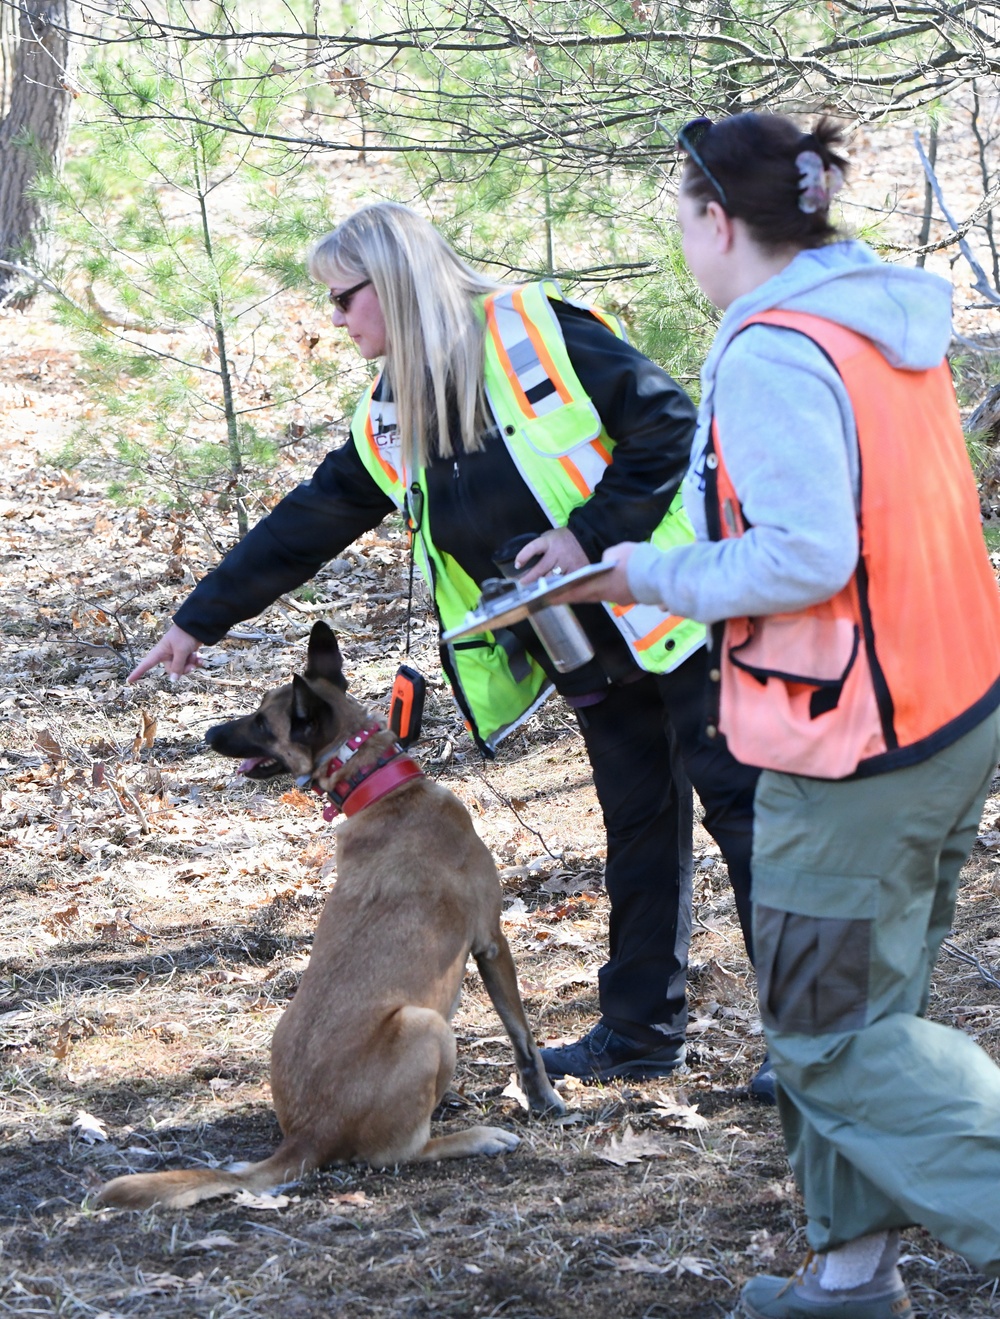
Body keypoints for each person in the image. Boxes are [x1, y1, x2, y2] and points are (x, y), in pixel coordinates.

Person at [128, 201, 768, 1091]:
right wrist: (200, 618)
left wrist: (588, 534)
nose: (335, 318)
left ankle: (813, 1043)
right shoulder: (391, 410)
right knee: (639, 824)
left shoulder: (541, 333)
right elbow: (309, 519)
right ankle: (640, 1032)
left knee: (747, 817)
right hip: (578, 643)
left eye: (343, 297)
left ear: (392, 284)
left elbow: (670, 424)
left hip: (679, 612)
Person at [556, 113, 1000, 1314]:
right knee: (866, 1004)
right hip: (945, 711)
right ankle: (849, 1277)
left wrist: (646, 576)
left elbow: (805, 551)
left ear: (716, 219)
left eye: (679, 218)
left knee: (823, 1032)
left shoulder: (772, 351)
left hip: (850, 746)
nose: (680, 242)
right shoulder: (868, 320)